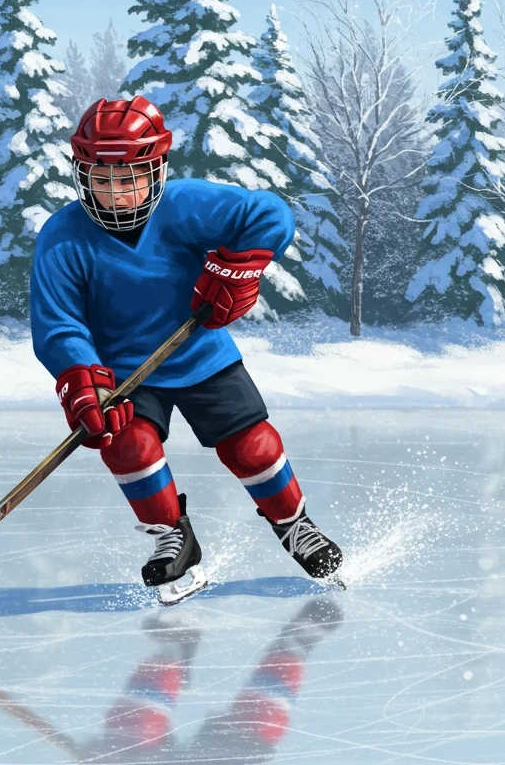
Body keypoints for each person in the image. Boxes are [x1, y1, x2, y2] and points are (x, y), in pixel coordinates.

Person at [29, 96, 343, 599]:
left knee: (254, 446)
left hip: (202, 356)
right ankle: (173, 536)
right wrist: (80, 377)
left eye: (130, 178)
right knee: (128, 444)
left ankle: (293, 524)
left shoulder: (183, 206)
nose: (118, 194)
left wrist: (237, 268)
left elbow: (270, 214)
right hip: (126, 373)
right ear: (82, 174)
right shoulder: (62, 238)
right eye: (104, 180)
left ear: (156, 170)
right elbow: (58, 323)